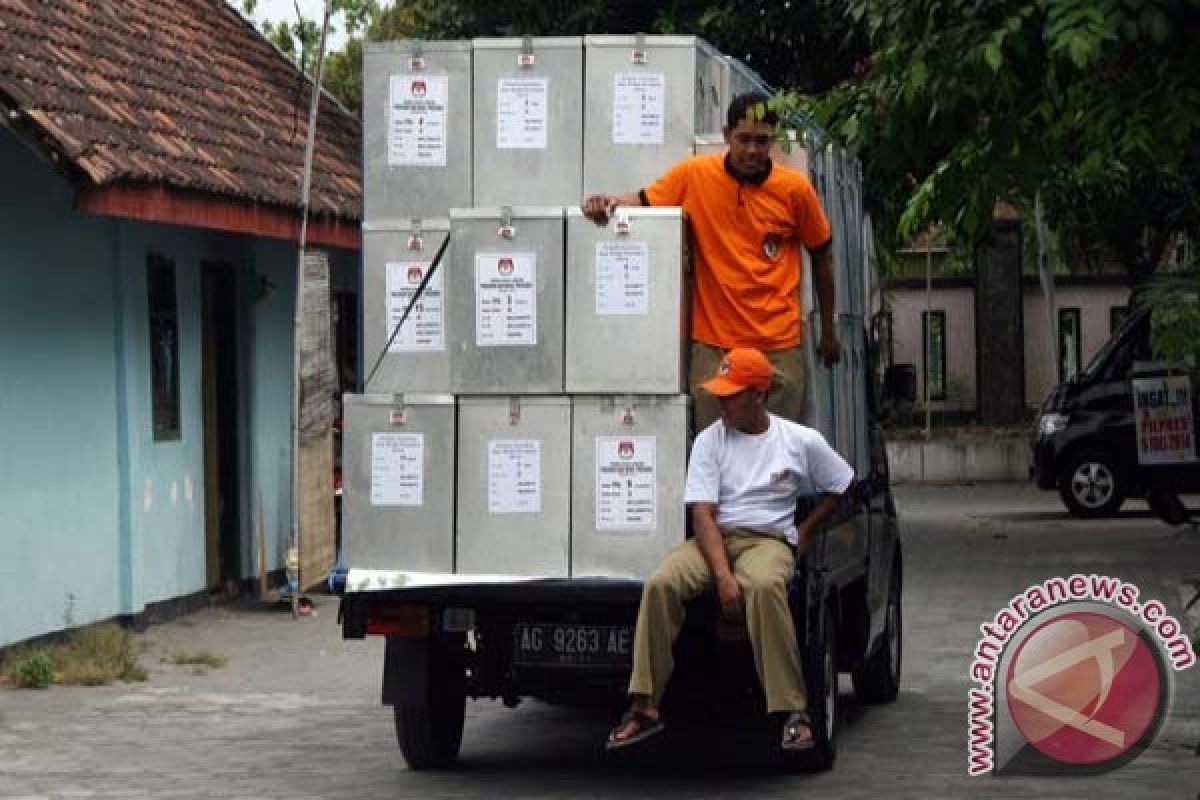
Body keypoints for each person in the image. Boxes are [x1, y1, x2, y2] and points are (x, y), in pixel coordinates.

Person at [606, 348, 854, 752]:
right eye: (719, 393)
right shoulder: (710, 440)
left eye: (732, 394)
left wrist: (805, 531)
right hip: (715, 537)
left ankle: (792, 712)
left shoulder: (799, 440)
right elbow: (703, 513)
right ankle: (644, 707)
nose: (721, 402)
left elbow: (843, 482)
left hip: (767, 540)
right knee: (660, 584)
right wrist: (722, 576)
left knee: (764, 587)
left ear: (759, 395)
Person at [583, 92, 840, 431]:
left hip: (777, 345)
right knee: (716, 450)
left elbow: (822, 259)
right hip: (714, 347)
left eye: (761, 141)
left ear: (773, 141)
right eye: (743, 139)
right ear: (725, 135)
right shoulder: (694, 176)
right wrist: (608, 201)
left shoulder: (795, 190)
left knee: (775, 457)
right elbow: (644, 200)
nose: (751, 150)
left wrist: (828, 330)